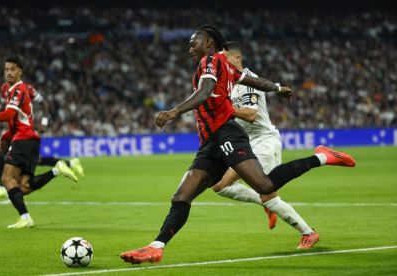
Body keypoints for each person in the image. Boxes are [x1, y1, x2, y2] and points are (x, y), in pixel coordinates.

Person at [120, 25, 355, 264]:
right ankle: (155, 247)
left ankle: (322, 157)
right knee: (182, 196)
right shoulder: (225, 66)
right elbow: (252, 80)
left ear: (209, 43)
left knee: (265, 186)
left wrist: (174, 111)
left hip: (227, 134)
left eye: (194, 43)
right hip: (210, 142)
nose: (190, 48)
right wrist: (277, 88)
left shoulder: (210, 61)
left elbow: (205, 92)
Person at [211, 41, 318, 249]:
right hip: (246, 143)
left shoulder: (249, 80)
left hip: (264, 142)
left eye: (223, 59)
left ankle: (308, 233)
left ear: (236, 59)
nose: (219, 64)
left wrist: (224, 108)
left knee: (267, 192)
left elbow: (251, 115)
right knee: (219, 185)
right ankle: (266, 205)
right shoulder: (227, 84)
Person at [0, 56, 78, 228]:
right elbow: (18, 121)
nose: (9, 72)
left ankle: (25, 218)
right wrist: (4, 137)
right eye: (6, 69)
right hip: (30, 140)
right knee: (24, 186)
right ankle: (56, 170)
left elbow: (8, 115)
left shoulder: (18, 89)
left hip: (23, 140)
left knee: (6, 178)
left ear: (20, 71)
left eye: (12, 69)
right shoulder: (13, 90)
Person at [0, 81, 85, 199]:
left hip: (29, 128)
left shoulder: (27, 88)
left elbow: (44, 103)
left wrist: (44, 122)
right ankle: (69, 164)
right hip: (16, 129)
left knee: (29, 163)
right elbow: (4, 107)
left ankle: (5, 187)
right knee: (1, 152)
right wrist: (0, 108)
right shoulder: (4, 88)